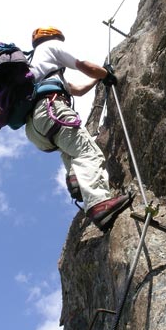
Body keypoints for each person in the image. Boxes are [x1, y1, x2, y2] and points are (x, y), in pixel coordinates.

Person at [26, 26, 132, 232]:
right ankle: (99, 204)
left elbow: (79, 91)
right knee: (88, 152)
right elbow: (83, 65)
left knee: (70, 149)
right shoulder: (51, 46)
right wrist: (106, 74)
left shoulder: (37, 70)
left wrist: (98, 78)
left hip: (36, 128)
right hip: (51, 110)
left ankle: (75, 179)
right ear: (54, 36)